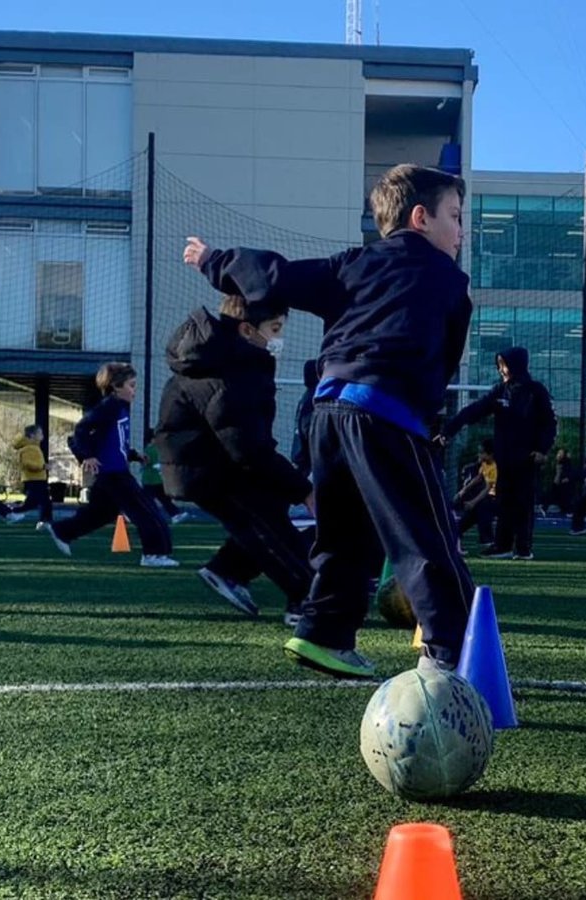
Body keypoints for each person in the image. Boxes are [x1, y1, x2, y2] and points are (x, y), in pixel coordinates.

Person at [183, 163, 474, 678]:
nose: (461, 231)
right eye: (455, 216)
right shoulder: (446, 277)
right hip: (386, 414)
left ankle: (324, 633)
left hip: (327, 415)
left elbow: (277, 277)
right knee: (427, 537)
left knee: (344, 536)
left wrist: (214, 261)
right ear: (421, 218)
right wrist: (425, 419)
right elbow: (444, 359)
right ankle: (453, 656)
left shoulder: (352, 264)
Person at [156, 295, 315, 625]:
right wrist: (304, 490)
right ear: (246, 330)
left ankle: (228, 570)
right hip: (208, 467)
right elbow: (246, 446)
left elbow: (249, 438)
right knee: (266, 523)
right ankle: (307, 600)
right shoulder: (229, 372)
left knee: (265, 513)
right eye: (275, 329)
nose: (278, 339)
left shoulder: (224, 360)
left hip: (207, 462)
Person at [47, 362, 178, 568]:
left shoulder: (119, 407)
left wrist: (134, 455)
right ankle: (153, 554)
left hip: (114, 472)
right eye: (131, 385)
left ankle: (63, 531)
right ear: (116, 387)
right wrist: (88, 456)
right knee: (145, 510)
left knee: (102, 513)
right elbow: (81, 430)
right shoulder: (109, 407)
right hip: (113, 473)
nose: (134, 391)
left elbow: (114, 441)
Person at [438, 346, 557, 561]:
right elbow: (474, 410)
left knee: (523, 502)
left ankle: (523, 548)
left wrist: (542, 449)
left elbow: (549, 423)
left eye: (504, 365)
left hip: (527, 457)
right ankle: (502, 545)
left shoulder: (536, 391)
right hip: (504, 457)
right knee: (504, 501)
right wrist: (449, 430)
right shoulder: (500, 391)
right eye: (500, 365)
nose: (501, 370)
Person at [454, 440, 498, 548]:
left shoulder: (494, 467)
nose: (479, 455)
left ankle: (487, 538)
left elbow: (488, 488)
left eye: (482, 452)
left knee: (482, 506)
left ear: (490, 454)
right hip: (487, 497)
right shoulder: (484, 464)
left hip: (496, 498)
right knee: (474, 511)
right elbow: (478, 478)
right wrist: (463, 491)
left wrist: (473, 502)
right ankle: (457, 530)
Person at [142, 428, 190, 524]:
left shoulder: (148, 450)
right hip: (155, 480)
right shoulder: (156, 450)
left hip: (150, 480)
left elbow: (145, 462)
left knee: (152, 500)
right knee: (162, 499)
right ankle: (174, 514)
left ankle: (174, 514)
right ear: (152, 439)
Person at [13, 424, 55, 529]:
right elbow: (27, 463)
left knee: (33, 502)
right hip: (33, 479)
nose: (42, 435)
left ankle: (12, 512)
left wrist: (43, 467)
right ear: (32, 435)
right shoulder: (28, 448)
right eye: (39, 433)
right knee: (44, 501)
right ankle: (45, 520)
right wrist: (42, 466)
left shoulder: (35, 447)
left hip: (38, 478)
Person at [290, 358, 321, 481]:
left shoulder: (306, 396)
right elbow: (306, 428)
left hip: (300, 455)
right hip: (306, 460)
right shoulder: (314, 398)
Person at [547, 447, 579, 516]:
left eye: (560, 453)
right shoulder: (557, 464)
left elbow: (573, 474)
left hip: (565, 489)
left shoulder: (566, 464)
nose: (558, 455)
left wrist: (567, 478)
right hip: (559, 487)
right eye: (558, 453)